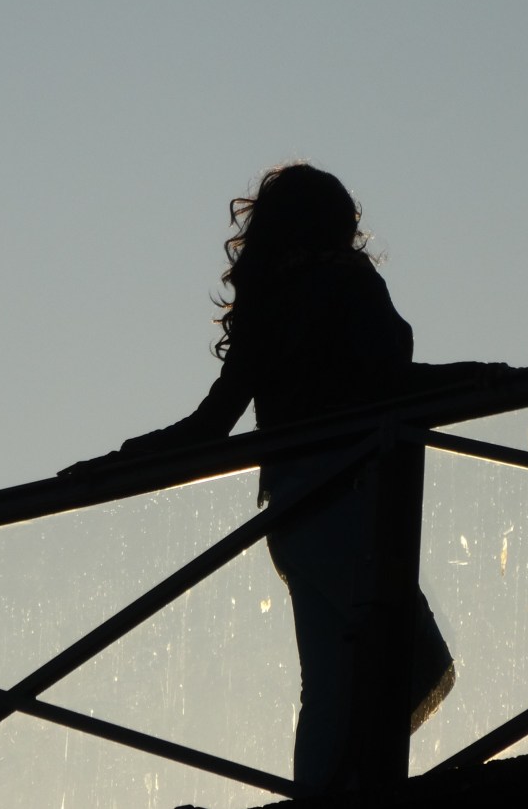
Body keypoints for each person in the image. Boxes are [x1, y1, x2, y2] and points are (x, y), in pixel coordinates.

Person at [64, 163, 501, 794]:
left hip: (293, 517)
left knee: (328, 687)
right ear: (337, 222)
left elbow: (210, 425)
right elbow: (384, 384)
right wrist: (477, 374)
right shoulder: (348, 281)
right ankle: (356, 788)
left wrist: (121, 459)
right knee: (411, 662)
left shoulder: (268, 300)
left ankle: (329, 791)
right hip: (351, 503)